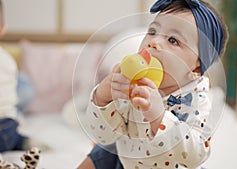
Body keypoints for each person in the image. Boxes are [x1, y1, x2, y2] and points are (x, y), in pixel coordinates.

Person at [78, 0, 228, 168]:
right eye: (152, 31)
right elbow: (103, 135)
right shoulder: (132, 84)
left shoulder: (196, 100)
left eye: (173, 40)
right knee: (101, 152)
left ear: (196, 68)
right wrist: (103, 98)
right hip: (125, 157)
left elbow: (196, 154)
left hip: (170, 166)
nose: (153, 42)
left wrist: (159, 118)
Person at [0, 0, 47, 152]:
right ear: (3, 29)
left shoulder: (6, 61)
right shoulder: (7, 60)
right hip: (10, 124)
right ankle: (21, 141)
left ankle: (19, 140)